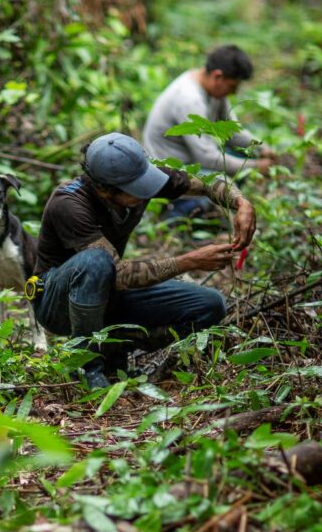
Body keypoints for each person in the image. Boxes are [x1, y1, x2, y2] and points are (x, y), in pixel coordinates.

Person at [30, 132, 257, 390]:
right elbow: (120, 274)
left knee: (210, 305)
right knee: (96, 262)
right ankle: (87, 366)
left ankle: (114, 347)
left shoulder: (144, 178)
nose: (146, 192)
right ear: (103, 189)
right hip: (56, 301)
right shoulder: (69, 203)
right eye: (135, 190)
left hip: (108, 294)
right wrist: (190, 261)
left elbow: (205, 181)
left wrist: (241, 202)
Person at [143, 45, 276, 219]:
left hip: (194, 157)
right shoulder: (189, 99)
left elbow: (233, 133)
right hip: (173, 174)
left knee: (244, 157)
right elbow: (207, 157)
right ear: (218, 76)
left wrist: (261, 148)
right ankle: (177, 213)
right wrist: (256, 167)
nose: (234, 92)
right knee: (226, 179)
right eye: (233, 86)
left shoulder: (214, 91)